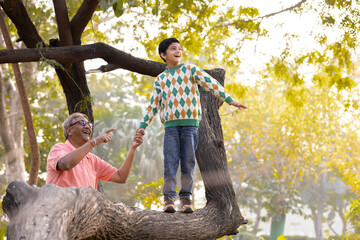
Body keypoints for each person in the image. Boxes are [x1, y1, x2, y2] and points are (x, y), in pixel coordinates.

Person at [138, 38, 247, 213]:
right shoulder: (161, 79)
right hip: (171, 128)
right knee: (170, 163)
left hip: (191, 126)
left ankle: (186, 199)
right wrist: (143, 125)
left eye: (179, 48)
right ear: (163, 55)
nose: (178, 51)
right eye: (173, 49)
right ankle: (168, 200)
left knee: (188, 163)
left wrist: (229, 100)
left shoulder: (190, 70)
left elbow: (211, 83)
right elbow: (153, 104)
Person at [46, 112, 144, 189]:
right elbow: (65, 164)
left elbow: (121, 177)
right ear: (69, 130)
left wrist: (132, 148)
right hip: (59, 212)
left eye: (89, 124)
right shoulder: (59, 148)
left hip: (84, 214)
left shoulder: (93, 160)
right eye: (82, 123)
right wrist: (95, 142)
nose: (87, 126)